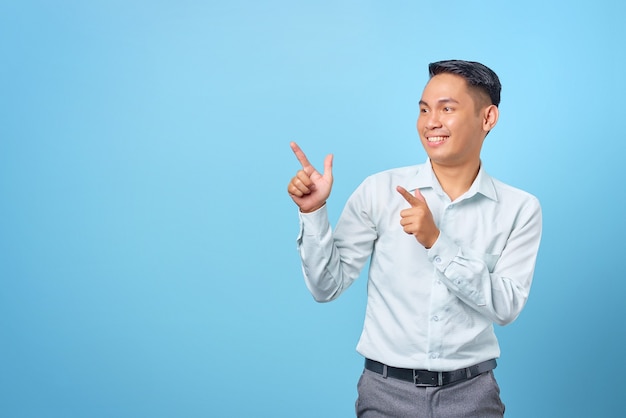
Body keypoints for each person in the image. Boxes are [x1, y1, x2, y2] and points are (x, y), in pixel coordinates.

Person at [287, 60, 542, 417]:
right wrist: (313, 212)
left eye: (447, 108)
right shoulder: (380, 191)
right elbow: (325, 287)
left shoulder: (520, 208)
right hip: (385, 394)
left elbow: (506, 307)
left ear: (488, 118)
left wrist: (437, 241)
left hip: (473, 395)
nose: (431, 122)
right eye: (424, 110)